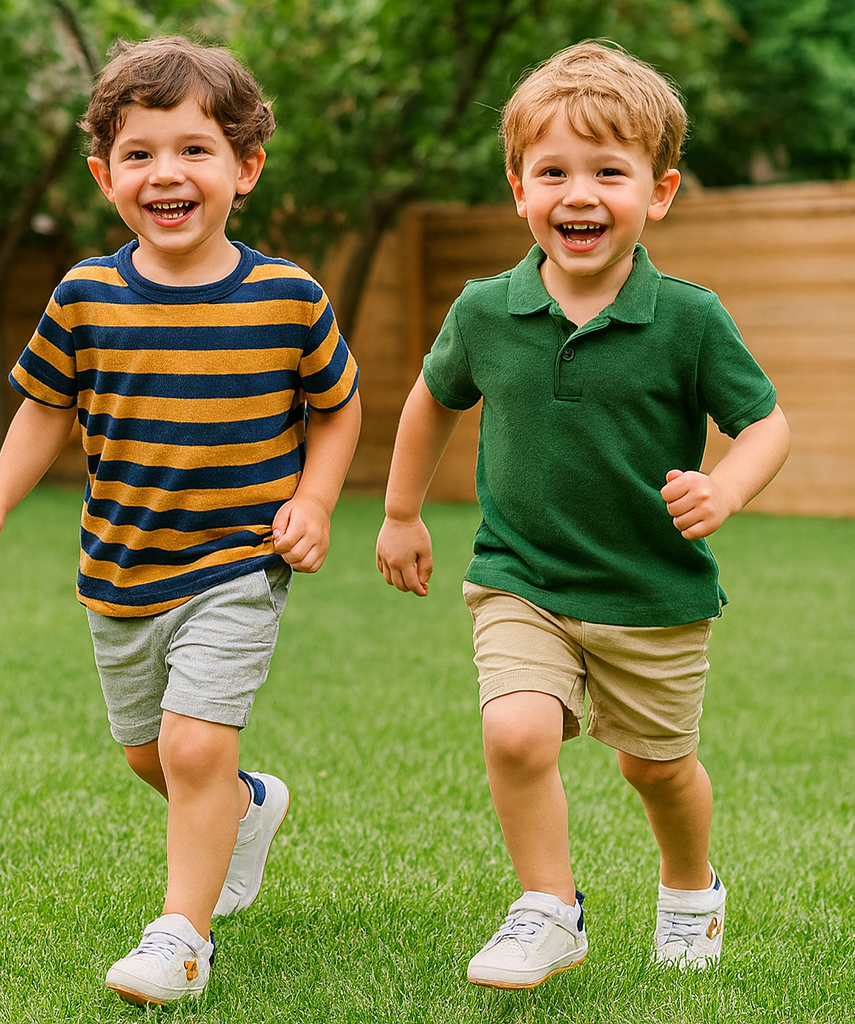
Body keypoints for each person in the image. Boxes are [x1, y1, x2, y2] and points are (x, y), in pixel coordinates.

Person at [0, 35, 361, 1006]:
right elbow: (45, 408)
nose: (166, 172)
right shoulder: (85, 296)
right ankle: (246, 808)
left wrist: (313, 500)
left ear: (245, 168)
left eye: (193, 149)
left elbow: (339, 407)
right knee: (148, 753)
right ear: (105, 177)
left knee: (194, 745)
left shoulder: (286, 297)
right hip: (121, 567)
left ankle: (181, 937)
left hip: (237, 561)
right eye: (139, 154)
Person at [375, 39, 789, 990]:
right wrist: (400, 513)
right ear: (518, 188)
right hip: (522, 575)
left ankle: (690, 887)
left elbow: (765, 424)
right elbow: (432, 399)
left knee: (657, 769)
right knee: (516, 732)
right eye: (553, 172)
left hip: (652, 592)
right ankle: (548, 908)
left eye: (609, 172)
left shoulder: (688, 319)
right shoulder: (486, 310)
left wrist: (726, 487)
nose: (579, 195)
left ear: (660, 192)